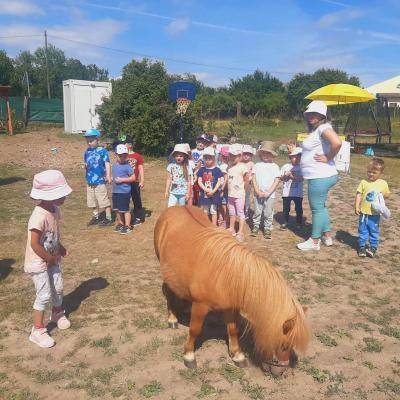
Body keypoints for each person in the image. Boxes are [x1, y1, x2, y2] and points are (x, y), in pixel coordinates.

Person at [24, 170, 72, 348]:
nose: (65, 196)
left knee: (58, 288)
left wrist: (60, 248)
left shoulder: (54, 209)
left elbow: (53, 235)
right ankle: (37, 330)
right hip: (39, 262)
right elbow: (35, 243)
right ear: (49, 196)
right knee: (43, 295)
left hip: (52, 258)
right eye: (62, 194)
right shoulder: (38, 215)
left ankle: (58, 313)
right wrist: (48, 259)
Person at [293, 100, 342, 251]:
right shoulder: (318, 129)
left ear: (322, 115)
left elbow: (337, 143)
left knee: (317, 209)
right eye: (309, 113)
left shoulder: (323, 128)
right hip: (321, 175)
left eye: (315, 113)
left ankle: (314, 241)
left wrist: (328, 157)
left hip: (320, 176)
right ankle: (327, 236)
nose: (310, 116)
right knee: (321, 207)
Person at [355, 158, 390, 258]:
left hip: (375, 214)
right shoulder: (363, 182)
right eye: (369, 171)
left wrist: (384, 194)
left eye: (374, 172)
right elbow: (359, 194)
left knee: (373, 230)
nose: (371, 174)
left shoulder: (383, 183)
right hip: (364, 213)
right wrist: (357, 206)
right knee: (362, 230)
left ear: (381, 173)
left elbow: (388, 195)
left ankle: (373, 247)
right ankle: (362, 247)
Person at [251, 141, 281, 239]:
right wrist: (257, 191)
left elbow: (277, 180)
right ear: (261, 154)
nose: (266, 155)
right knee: (257, 211)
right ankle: (255, 226)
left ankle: (267, 227)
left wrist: (268, 192)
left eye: (268, 153)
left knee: (268, 212)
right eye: (264, 153)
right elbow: (253, 179)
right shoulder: (257, 165)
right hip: (257, 193)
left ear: (272, 155)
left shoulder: (275, 167)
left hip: (270, 195)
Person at [84, 129, 112, 227]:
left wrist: (108, 175)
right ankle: (96, 217)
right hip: (90, 180)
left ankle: (108, 218)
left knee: (103, 200)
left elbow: (107, 163)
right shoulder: (87, 151)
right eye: (87, 141)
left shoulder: (102, 151)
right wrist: (85, 166)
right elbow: (87, 163)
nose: (89, 143)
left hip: (100, 180)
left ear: (97, 140)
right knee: (91, 201)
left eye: (91, 140)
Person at [112, 144, 136, 234]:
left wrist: (122, 180)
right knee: (117, 209)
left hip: (124, 192)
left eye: (125, 155)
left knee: (125, 209)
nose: (123, 157)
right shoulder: (114, 166)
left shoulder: (127, 166)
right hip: (115, 191)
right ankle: (121, 224)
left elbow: (133, 178)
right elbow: (114, 176)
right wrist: (109, 178)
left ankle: (128, 226)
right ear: (115, 155)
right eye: (120, 155)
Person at [227, 143, 248, 242]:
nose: (231, 157)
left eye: (234, 156)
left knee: (240, 213)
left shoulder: (243, 167)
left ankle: (240, 232)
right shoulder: (229, 166)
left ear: (240, 156)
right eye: (230, 155)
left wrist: (243, 190)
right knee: (232, 213)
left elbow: (246, 180)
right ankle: (231, 229)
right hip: (230, 195)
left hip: (239, 195)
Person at [197, 147, 224, 225]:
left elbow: (219, 182)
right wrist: (205, 189)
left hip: (214, 194)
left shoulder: (217, 170)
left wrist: (213, 191)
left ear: (214, 158)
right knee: (205, 211)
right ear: (203, 159)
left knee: (214, 210)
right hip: (204, 194)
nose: (208, 160)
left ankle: (214, 226)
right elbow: (199, 181)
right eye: (206, 158)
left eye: (210, 158)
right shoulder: (202, 169)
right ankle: (206, 225)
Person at [280, 147, 304, 230]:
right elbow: (281, 179)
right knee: (286, 208)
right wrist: (285, 175)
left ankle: (299, 222)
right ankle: (285, 222)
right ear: (290, 157)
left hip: (298, 193)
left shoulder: (301, 167)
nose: (297, 159)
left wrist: (291, 176)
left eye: (299, 157)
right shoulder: (285, 166)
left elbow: (301, 179)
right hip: (286, 193)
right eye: (295, 157)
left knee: (298, 208)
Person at [126, 137, 145, 226]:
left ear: (130, 144)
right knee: (126, 200)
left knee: (136, 199)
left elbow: (140, 169)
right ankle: (127, 217)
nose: (124, 145)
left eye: (125, 143)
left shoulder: (138, 156)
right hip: (125, 182)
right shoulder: (122, 156)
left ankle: (138, 217)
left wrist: (142, 180)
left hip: (135, 182)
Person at [242, 144, 255, 219]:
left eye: (248, 154)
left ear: (251, 156)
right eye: (245, 154)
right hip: (240, 182)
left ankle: (246, 211)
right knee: (240, 196)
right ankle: (240, 210)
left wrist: (249, 179)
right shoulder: (240, 163)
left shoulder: (252, 164)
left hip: (248, 183)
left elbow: (253, 174)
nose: (246, 156)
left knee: (246, 197)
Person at [217, 145, 230, 228]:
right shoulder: (221, 165)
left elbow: (225, 179)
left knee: (224, 204)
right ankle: (222, 217)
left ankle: (225, 219)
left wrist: (222, 189)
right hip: (220, 187)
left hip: (223, 188)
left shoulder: (224, 166)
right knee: (221, 204)